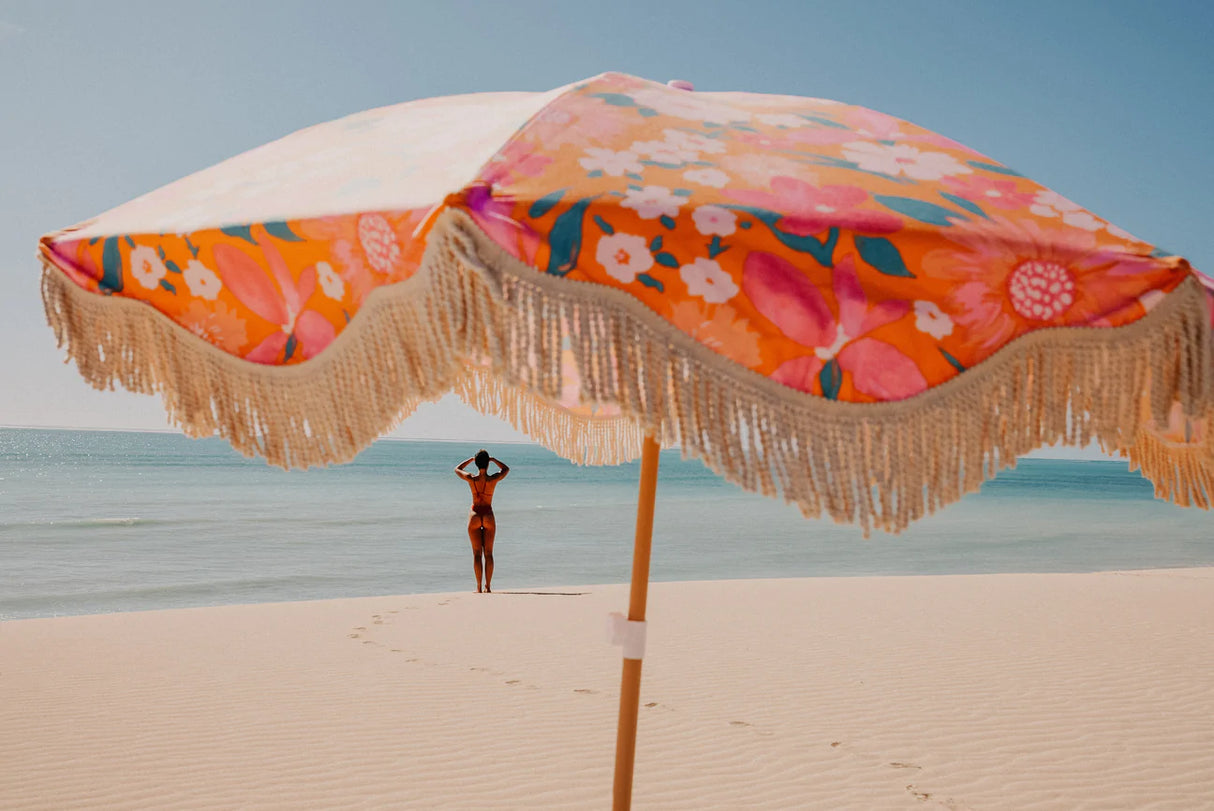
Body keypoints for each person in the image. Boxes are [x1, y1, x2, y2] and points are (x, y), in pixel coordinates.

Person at [454, 449, 509, 593]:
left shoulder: (471, 478)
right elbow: (506, 469)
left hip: (475, 514)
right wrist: (493, 459)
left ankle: (478, 587)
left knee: (477, 553)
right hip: (488, 514)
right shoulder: (493, 479)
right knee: (489, 553)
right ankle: (488, 587)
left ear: (477, 464)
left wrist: (471, 460)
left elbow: (457, 469)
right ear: (488, 464)